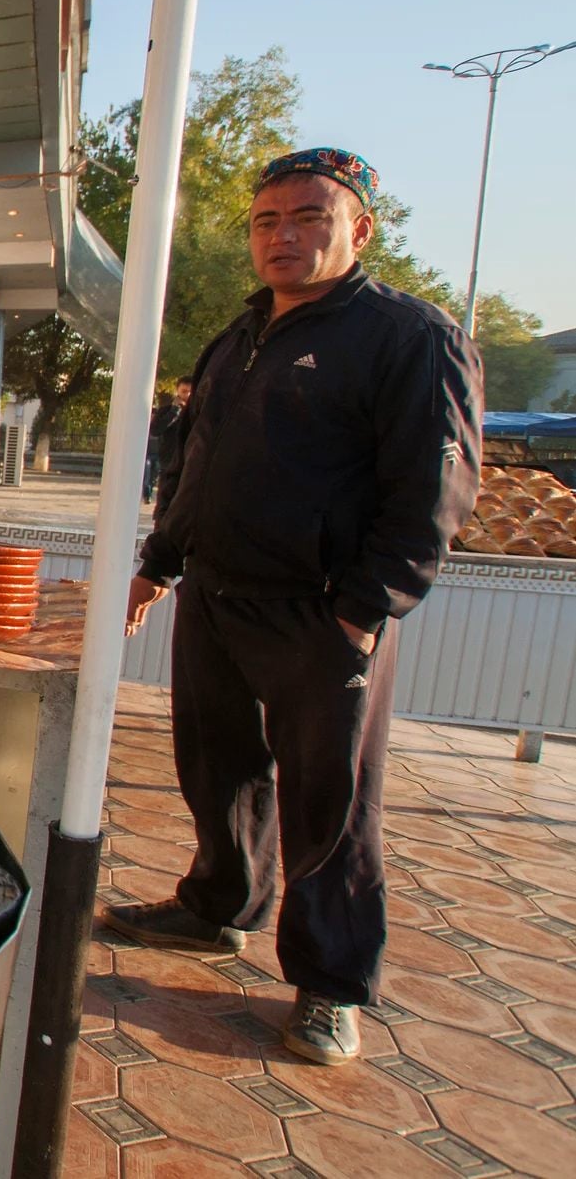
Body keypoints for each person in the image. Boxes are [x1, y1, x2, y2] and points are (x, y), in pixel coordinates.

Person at [111, 148, 482, 1066]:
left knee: (332, 804)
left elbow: (432, 487)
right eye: (265, 220)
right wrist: (156, 566)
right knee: (217, 766)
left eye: (308, 217)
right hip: (216, 596)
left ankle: (330, 984)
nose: (282, 236)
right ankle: (216, 908)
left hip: (321, 614)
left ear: (356, 229)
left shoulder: (408, 337)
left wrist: (363, 609)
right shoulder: (239, 337)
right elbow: (194, 466)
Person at [142, 377, 193, 505]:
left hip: (189, 462)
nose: (186, 395)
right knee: (165, 500)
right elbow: (155, 430)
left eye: (189, 392)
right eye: (183, 391)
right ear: (177, 391)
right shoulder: (165, 411)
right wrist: (174, 412)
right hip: (168, 461)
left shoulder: (197, 412)